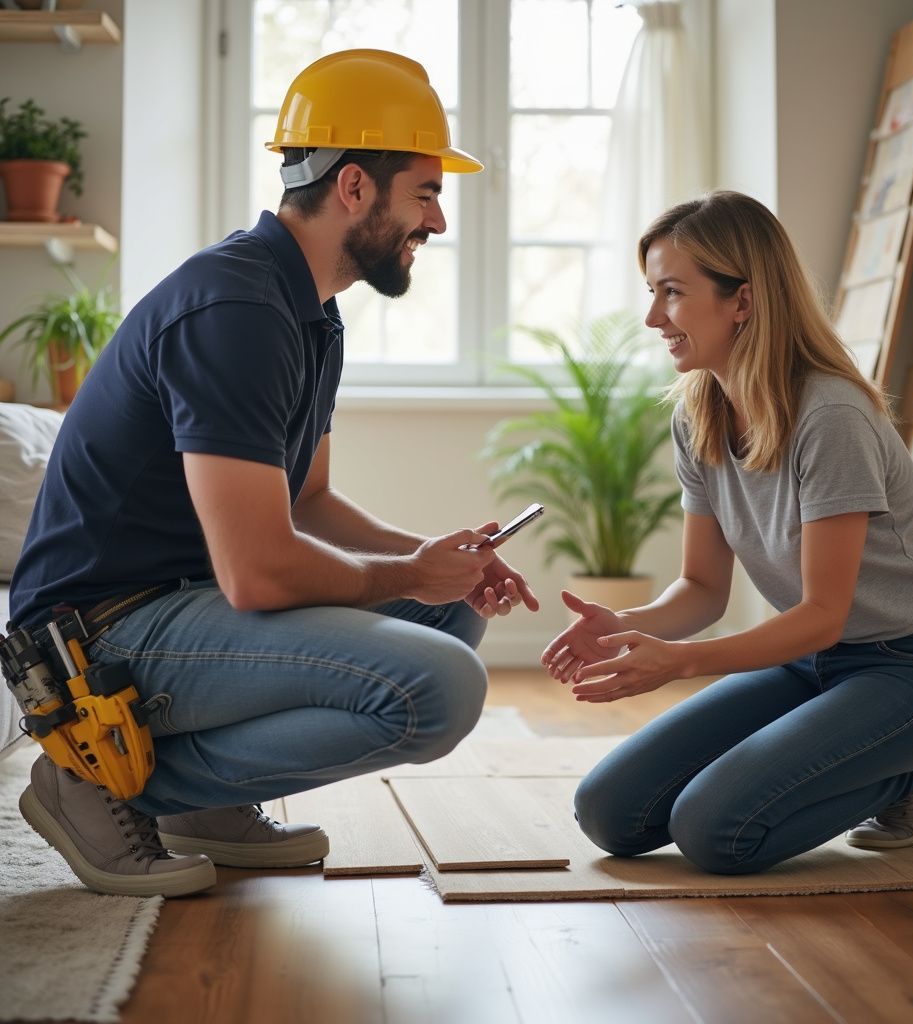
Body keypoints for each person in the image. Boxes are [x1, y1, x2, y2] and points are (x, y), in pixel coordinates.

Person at [6, 49, 538, 898]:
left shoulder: (309, 311)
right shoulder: (238, 309)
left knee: (447, 607)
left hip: (177, 604)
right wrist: (406, 571)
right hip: (96, 638)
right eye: (428, 193)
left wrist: (436, 560)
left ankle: (205, 805)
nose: (437, 223)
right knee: (442, 686)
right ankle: (96, 780)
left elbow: (310, 499)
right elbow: (256, 573)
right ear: (355, 187)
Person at [541, 191, 913, 876]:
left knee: (716, 831)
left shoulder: (829, 416)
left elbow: (821, 614)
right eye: (653, 293)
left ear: (741, 301)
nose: (653, 317)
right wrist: (624, 625)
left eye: (672, 293)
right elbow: (701, 589)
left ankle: (906, 772)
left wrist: (679, 661)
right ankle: (858, 754)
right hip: (812, 662)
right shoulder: (700, 416)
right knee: (610, 812)